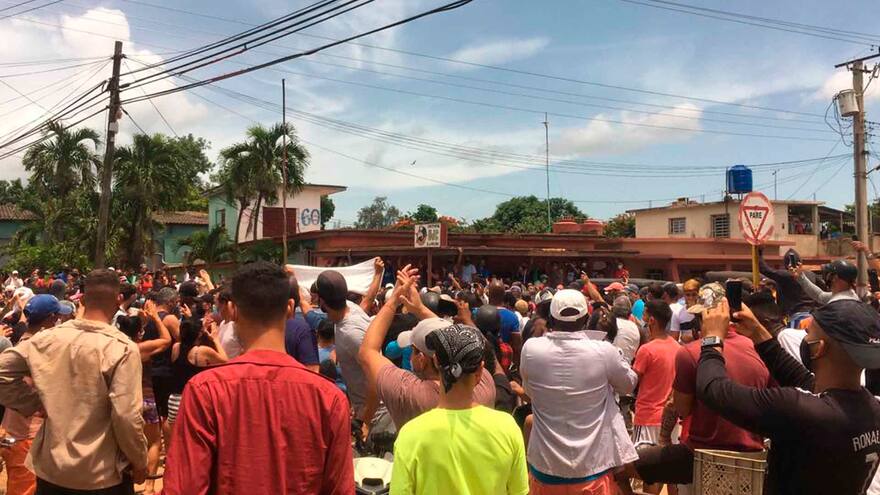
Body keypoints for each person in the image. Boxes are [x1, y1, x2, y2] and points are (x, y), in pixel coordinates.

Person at [162, 262, 352, 494]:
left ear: (234, 310)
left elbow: (184, 488)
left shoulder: (205, 391)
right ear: (290, 308)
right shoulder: (329, 398)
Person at [697, 298, 880, 494]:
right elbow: (801, 379)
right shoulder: (869, 408)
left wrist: (712, 339)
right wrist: (758, 333)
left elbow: (714, 390)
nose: (804, 339)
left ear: (819, 348)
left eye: (808, 333)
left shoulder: (799, 410)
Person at [0, 269, 147, 494]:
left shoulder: (46, 339)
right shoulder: (122, 349)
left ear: (84, 300)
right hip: (102, 476)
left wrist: (34, 403)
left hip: (52, 472)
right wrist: (139, 461)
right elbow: (126, 416)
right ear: (118, 300)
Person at [627, 282, 770, 491]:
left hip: (699, 455)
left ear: (702, 318)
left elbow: (680, 407)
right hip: (751, 457)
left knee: (621, 468)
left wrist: (665, 438)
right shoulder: (758, 349)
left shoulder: (690, 352)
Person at [521, 289, 638, 494]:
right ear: (585, 319)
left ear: (550, 318)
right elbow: (628, 385)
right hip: (592, 468)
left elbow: (530, 392)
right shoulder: (603, 351)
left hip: (546, 468)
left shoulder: (531, 349)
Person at [391, 324, 528, 495]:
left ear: (436, 361)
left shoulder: (410, 435)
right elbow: (519, 491)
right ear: (479, 371)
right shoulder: (508, 427)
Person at [358, 265, 495, 429]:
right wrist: (420, 309)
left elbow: (368, 351)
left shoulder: (410, 393)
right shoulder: (484, 387)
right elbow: (466, 342)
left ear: (423, 360)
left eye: (414, 351)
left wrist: (393, 301)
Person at [0, 295, 68, 495]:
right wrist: (36, 404)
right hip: (27, 434)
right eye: (58, 317)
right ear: (51, 318)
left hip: (14, 429)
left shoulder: (23, 339)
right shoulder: (37, 348)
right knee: (25, 490)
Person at [116, 301, 171, 495]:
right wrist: (155, 317)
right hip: (147, 400)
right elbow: (166, 339)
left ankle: (129, 483)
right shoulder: (142, 348)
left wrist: (141, 322)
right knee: (154, 442)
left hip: (126, 402)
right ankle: (148, 486)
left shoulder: (116, 347)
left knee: (123, 444)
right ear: (139, 332)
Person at [314, 268, 377, 429]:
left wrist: (365, 420)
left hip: (375, 414)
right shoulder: (350, 308)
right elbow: (368, 300)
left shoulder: (351, 334)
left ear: (322, 302)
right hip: (362, 408)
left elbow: (376, 378)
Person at [165, 315, 228, 429]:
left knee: (177, 439)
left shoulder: (176, 347)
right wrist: (215, 339)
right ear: (199, 334)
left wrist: (199, 329)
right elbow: (225, 360)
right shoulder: (201, 351)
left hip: (174, 400)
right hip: (191, 401)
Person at [631, 301, 679, 449]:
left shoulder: (646, 350)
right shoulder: (678, 348)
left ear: (652, 320)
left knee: (640, 467)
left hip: (647, 418)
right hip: (670, 421)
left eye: (645, 314)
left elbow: (632, 381)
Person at [759, 248, 816, 326]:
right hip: (812, 315)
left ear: (786, 264)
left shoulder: (787, 275)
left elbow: (764, 269)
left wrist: (758, 252)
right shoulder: (811, 274)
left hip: (797, 316)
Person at [214, 288, 243, 359]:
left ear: (224, 303)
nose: (215, 305)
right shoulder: (222, 323)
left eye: (216, 301)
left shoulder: (236, 325)